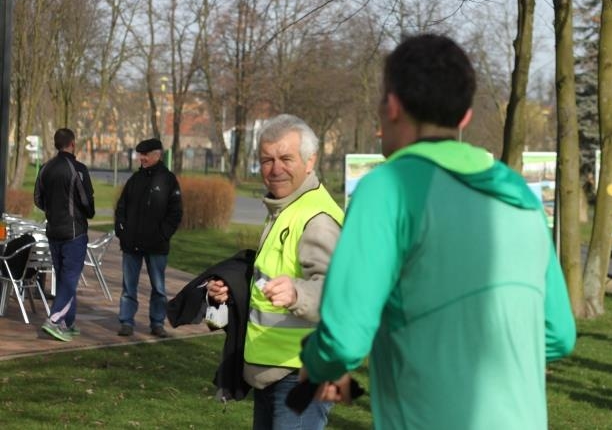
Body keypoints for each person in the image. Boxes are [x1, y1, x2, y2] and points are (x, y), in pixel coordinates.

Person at [297, 34, 577, 429]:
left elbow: (343, 339)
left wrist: (316, 361)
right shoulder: (523, 198)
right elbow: (558, 333)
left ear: (393, 106)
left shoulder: (388, 188)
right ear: (464, 118)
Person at [206, 114, 343, 430]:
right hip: (272, 371)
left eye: (286, 159)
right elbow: (269, 276)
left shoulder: (317, 218)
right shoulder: (286, 209)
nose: (275, 169)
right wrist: (232, 290)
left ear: (310, 161)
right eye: (267, 160)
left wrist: (297, 293)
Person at [115, 138, 182, 338]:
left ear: (157, 155)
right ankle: (126, 322)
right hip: (131, 244)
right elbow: (121, 208)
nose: (141, 158)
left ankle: (157, 323)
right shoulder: (135, 180)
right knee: (128, 288)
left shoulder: (168, 180)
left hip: (157, 246)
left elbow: (176, 213)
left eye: (145, 154)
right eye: (140, 154)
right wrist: (122, 231)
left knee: (159, 288)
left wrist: (163, 234)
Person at [34, 128, 96, 342]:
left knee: (64, 278)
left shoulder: (45, 168)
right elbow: (86, 200)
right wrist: (87, 213)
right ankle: (54, 320)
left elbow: (38, 198)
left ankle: (67, 323)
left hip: (53, 231)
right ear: (72, 143)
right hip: (74, 232)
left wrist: (53, 211)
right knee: (69, 279)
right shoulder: (78, 169)